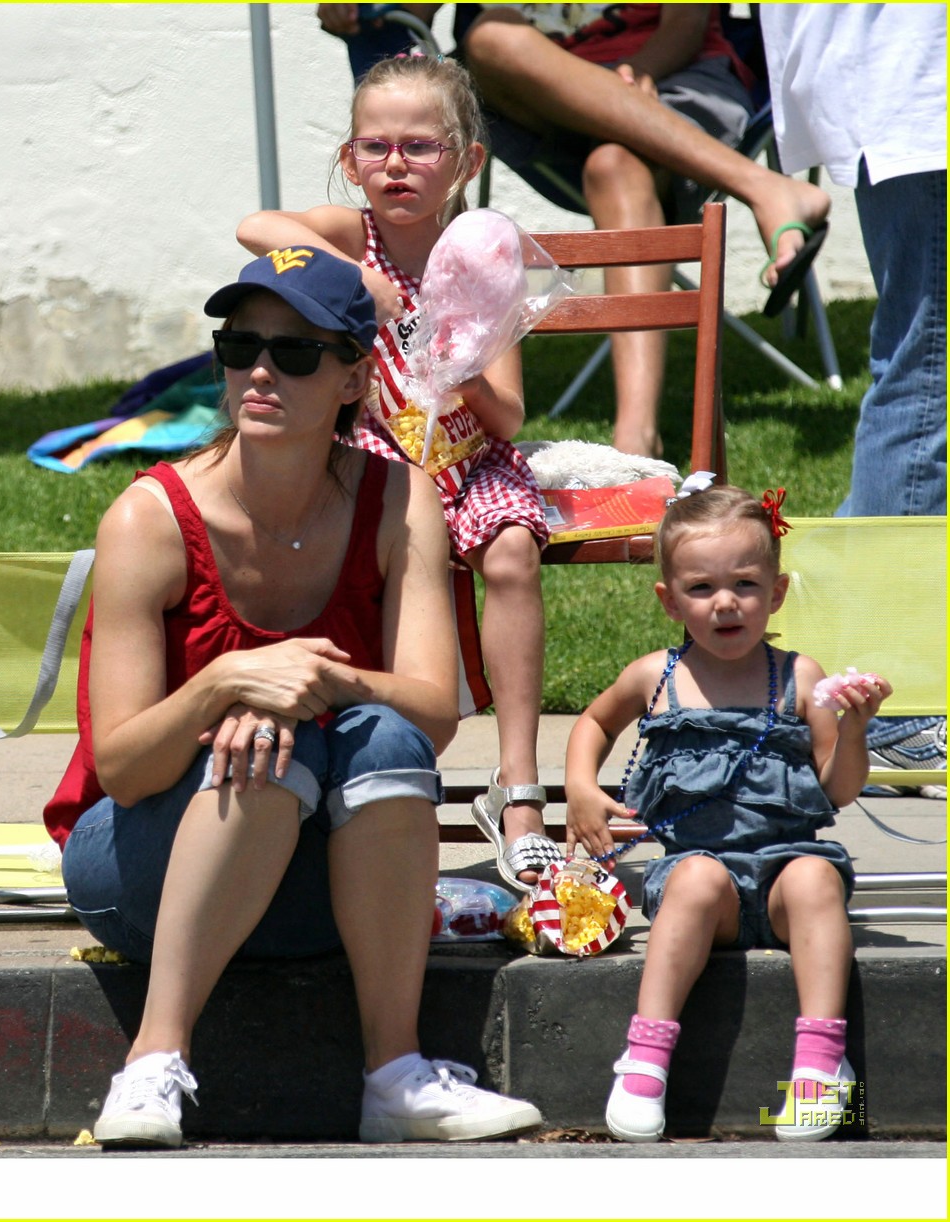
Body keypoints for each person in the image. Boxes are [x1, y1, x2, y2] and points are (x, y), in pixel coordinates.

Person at [45, 246, 544, 1147]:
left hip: (316, 883)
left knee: (375, 737)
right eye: (239, 348)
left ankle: (394, 1075)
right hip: (141, 876)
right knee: (272, 742)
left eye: (297, 352)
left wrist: (324, 678)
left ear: (354, 376)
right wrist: (224, 685)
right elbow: (120, 769)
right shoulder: (149, 518)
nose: (261, 371)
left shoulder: (399, 500)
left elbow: (433, 711)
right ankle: (153, 1060)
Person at [236, 54, 559, 892]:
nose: (395, 164)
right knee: (365, 524)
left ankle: (519, 790)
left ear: (467, 160)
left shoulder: (486, 256)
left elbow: (510, 420)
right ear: (350, 161)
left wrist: (465, 366)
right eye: (374, 147)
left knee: (515, 550)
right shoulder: (351, 236)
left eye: (420, 147)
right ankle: (362, 764)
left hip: (469, 455)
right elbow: (256, 228)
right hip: (377, 459)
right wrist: (363, 281)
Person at [564, 482, 891, 1142]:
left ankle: (823, 1061)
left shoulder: (799, 678)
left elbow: (838, 789)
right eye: (701, 588)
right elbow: (594, 722)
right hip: (701, 884)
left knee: (814, 877)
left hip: (781, 879)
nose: (725, 604)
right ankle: (646, 1057)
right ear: (669, 599)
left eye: (744, 584)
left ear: (776, 592)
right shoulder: (654, 675)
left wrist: (852, 731)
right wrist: (578, 786)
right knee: (695, 878)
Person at [458, 3, 831, 455]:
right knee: (492, 36)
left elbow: (686, 24)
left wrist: (635, 75)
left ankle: (637, 439)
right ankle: (764, 188)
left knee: (614, 164)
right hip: (547, 104)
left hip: (675, 80)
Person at [759, 4, 946, 794]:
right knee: (925, 361)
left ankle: (852, 646)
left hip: (902, 87)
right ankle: (886, 697)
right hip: (916, 89)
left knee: (922, 357)